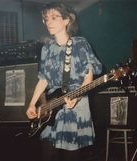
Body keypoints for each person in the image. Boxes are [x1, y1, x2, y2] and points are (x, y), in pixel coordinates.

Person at [26, 2, 102, 161]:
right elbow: (43, 80)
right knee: (48, 155)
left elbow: (89, 76)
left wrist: (77, 97)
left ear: (67, 20)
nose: (49, 22)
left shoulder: (80, 44)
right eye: (46, 19)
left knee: (71, 156)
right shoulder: (47, 49)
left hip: (74, 106)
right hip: (51, 107)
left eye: (54, 18)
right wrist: (32, 104)